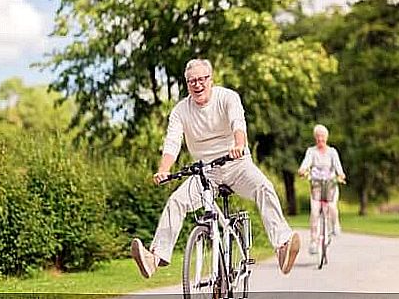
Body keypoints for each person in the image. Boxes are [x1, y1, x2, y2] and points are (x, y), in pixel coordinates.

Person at [131, 58, 300, 278]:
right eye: (192, 81)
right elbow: (172, 141)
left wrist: (239, 145)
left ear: (211, 80)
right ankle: (155, 258)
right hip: (205, 172)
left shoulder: (228, 97)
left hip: (236, 165)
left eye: (202, 79)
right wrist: (163, 169)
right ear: (187, 83)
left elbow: (237, 122)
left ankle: (282, 247)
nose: (197, 85)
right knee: (176, 201)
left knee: (264, 187)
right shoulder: (181, 110)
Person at [297, 124, 345, 255]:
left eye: (322, 136)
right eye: (318, 137)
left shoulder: (332, 152)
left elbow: (338, 168)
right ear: (315, 138)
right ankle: (313, 242)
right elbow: (305, 164)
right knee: (314, 212)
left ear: (326, 138)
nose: (320, 139)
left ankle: (335, 225)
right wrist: (302, 170)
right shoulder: (311, 151)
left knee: (331, 206)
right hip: (317, 185)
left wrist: (340, 175)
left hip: (330, 184)